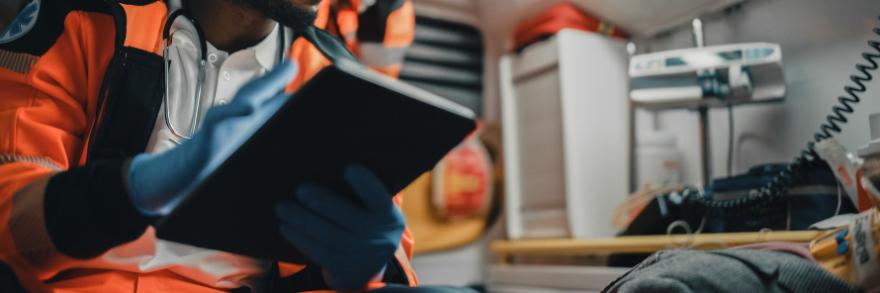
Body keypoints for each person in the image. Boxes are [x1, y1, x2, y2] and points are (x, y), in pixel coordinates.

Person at [0, 0, 424, 292]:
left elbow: (391, 260)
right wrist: (128, 189)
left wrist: (370, 270)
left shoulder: (337, 88)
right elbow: (10, 208)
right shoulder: (85, 18)